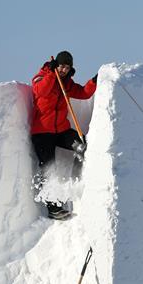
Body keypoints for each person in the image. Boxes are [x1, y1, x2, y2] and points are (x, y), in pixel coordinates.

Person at [31, 51, 97, 219]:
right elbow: (41, 91)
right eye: (61, 66)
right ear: (56, 65)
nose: (64, 70)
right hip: (42, 133)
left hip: (61, 130)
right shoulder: (41, 77)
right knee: (48, 168)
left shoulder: (67, 83)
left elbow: (83, 93)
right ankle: (53, 209)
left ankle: (75, 178)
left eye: (67, 67)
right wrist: (52, 75)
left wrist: (94, 81)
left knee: (82, 145)